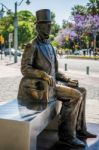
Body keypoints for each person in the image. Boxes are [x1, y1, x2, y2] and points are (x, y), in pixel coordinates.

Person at [18, 9, 96, 148]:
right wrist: (43, 75)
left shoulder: (50, 46)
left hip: (54, 83)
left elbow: (55, 70)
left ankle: (79, 128)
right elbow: (25, 68)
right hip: (43, 86)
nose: (49, 27)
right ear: (38, 27)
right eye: (46, 24)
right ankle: (66, 135)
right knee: (75, 95)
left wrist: (67, 79)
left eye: (50, 24)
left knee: (82, 90)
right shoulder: (32, 45)